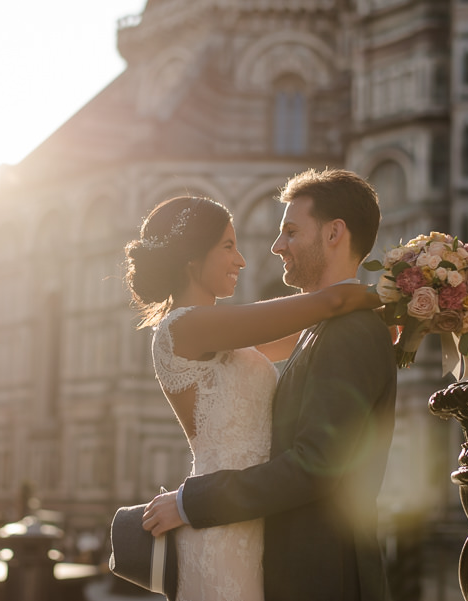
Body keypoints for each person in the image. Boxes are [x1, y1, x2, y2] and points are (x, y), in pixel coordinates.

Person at [141, 168, 398, 601]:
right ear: (192, 260)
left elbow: (317, 320)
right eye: (228, 247)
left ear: (335, 233)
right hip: (225, 524)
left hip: (264, 532)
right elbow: (330, 302)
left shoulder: (326, 332)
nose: (246, 259)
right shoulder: (186, 327)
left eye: (290, 232)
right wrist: (397, 297)